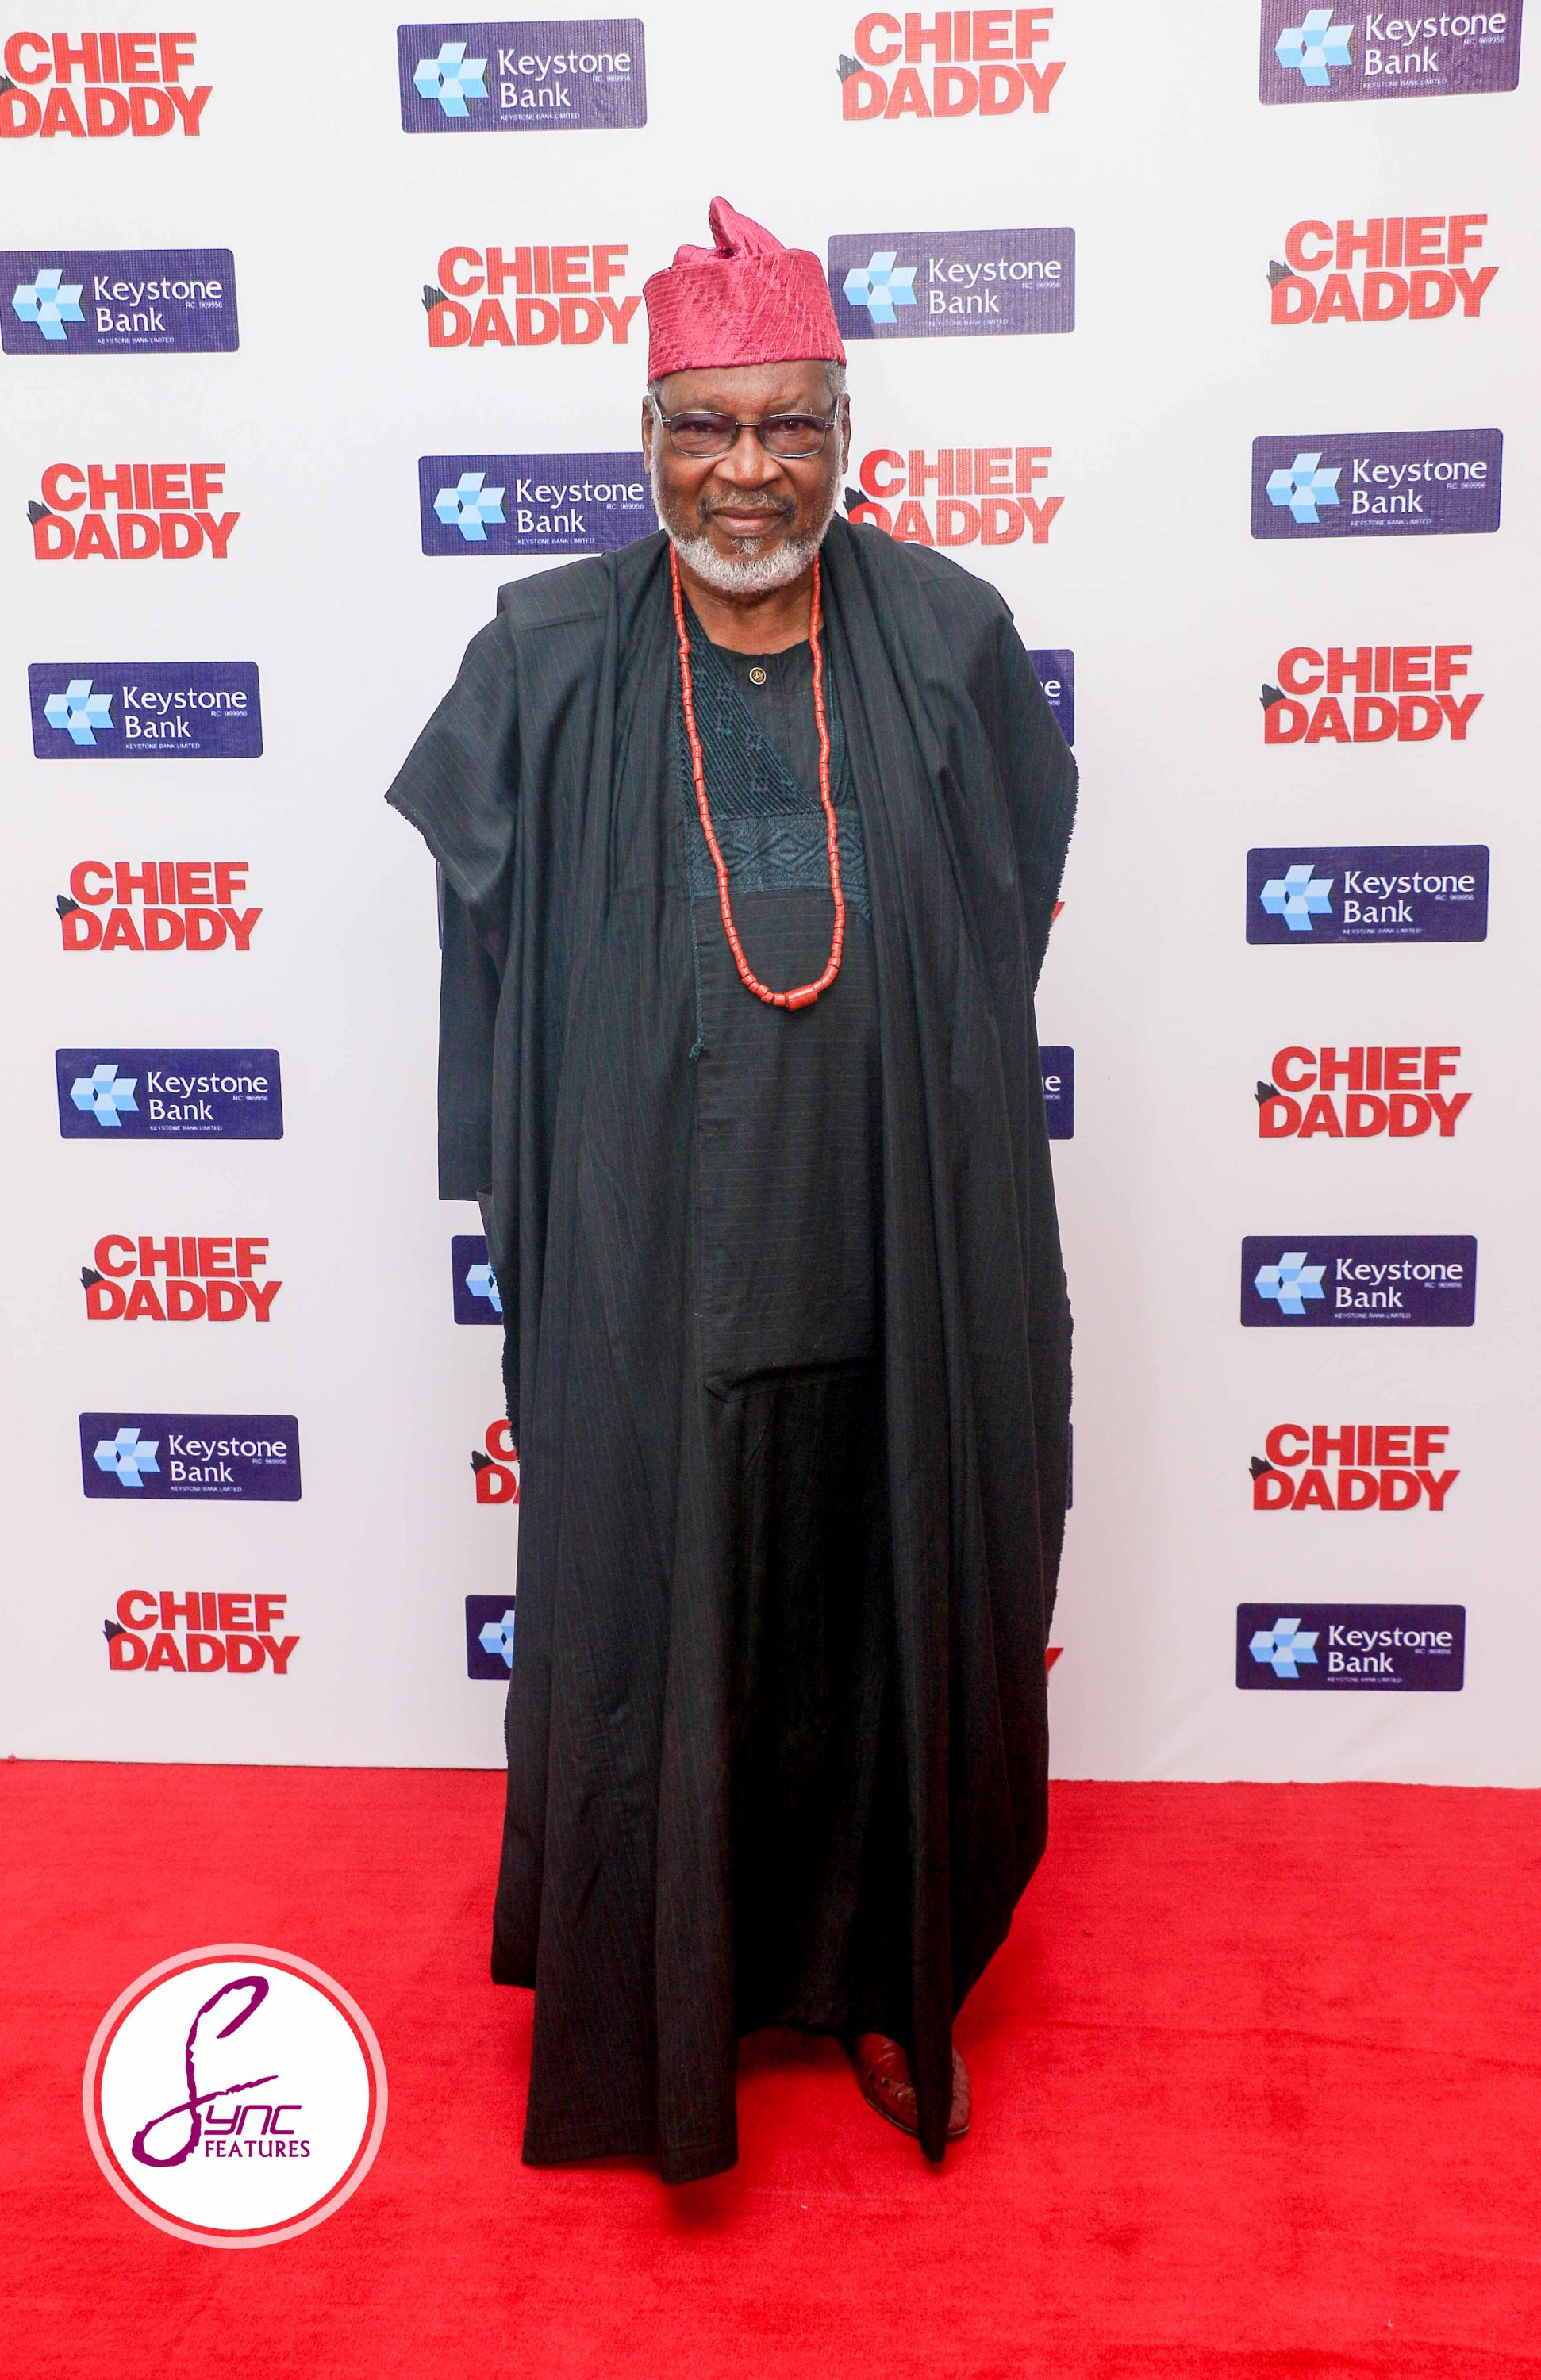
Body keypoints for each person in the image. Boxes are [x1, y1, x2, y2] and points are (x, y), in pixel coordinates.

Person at [387, 196, 1076, 2182]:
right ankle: (673, 2002)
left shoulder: (944, 636)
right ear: (649, 437)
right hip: (648, 1250)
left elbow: (1010, 893)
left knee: (893, 1588)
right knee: (657, 1615)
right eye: (706, 427)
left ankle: (883, 1980)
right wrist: (524, 1183)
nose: (747, 472)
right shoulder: (544, 656)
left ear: (845, 434)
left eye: (789, 425)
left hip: (898, 1232)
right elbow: (480, 940)